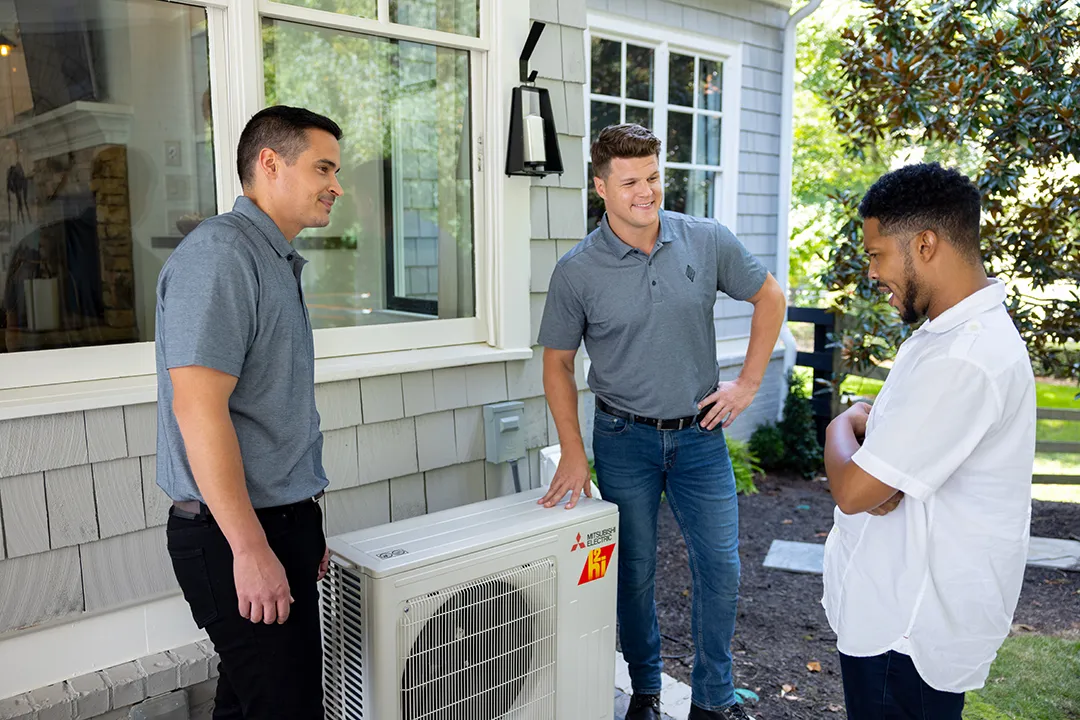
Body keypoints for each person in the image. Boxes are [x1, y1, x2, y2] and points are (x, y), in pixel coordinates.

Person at [538, 124, 786, 720]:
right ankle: (646, 691)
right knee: (634, 573)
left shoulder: (704, 239)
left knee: (721, 568)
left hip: (700, 436)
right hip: (624, 439)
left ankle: (712, 699)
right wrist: (575, 452)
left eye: (652, 177)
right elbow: (558, 364)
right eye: (629, 182)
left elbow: (770, 297)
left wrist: (748, 383)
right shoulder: (577, 270)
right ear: (600, 186)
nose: (645, 192)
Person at [822, 163, 1036, 719]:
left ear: (924, 243)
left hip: (910, 633)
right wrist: (877, 471)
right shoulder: (947, 334)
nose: (872, 271)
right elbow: (880, 485)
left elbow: (855, 490)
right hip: (896, 614)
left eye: (876, 254)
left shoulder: (965, 357)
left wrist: (840, 426)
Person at [156, 105, 344, 719]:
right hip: (230, 534)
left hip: (277, 525)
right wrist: (252, 548)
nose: (335, 186)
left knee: (246, 704)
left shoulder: (271, 260)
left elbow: (268, 407)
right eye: (323, 168)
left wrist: (299, 522)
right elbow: (199, 408)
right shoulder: (220, 256)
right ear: (270, 163)